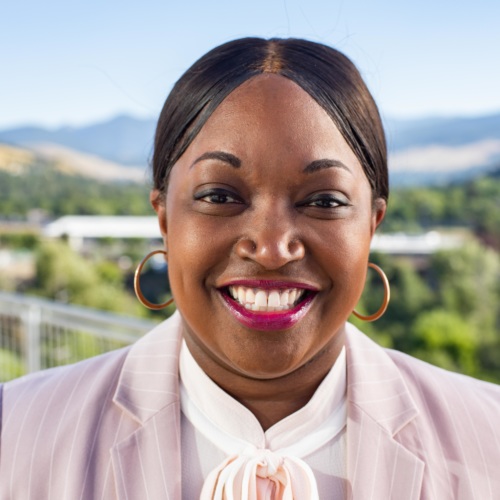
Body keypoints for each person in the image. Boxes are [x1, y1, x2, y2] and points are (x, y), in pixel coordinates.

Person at [0, 37, 499, 500]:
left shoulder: (488, 440)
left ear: (373, 224)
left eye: (324, 200)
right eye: (219, 195)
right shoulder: (15, 432)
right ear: (164, 217)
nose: (272, 248)